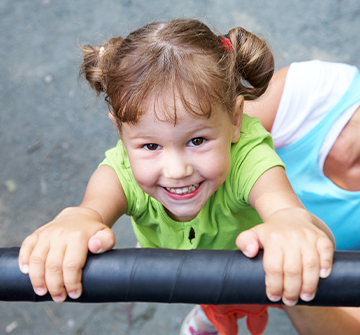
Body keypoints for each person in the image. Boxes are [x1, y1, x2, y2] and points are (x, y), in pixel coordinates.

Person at [17, 20, 335, 335]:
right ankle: (209, 315)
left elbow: (280, 205)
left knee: (288, 281)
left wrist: (290, 223)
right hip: (195, 269)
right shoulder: (122, 170)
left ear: (236, 120)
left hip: (256, 267)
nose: (176, 170)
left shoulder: (248, 157)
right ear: (120, 132)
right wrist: (75, 221)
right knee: (211, 300)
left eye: (197, 141)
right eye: (151, 145)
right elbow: (91, 209)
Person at [245, 59, 360, 334]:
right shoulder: (318, 91)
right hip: (208, 230)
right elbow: (188, 141)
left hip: (302, 280)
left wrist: (290, 272)